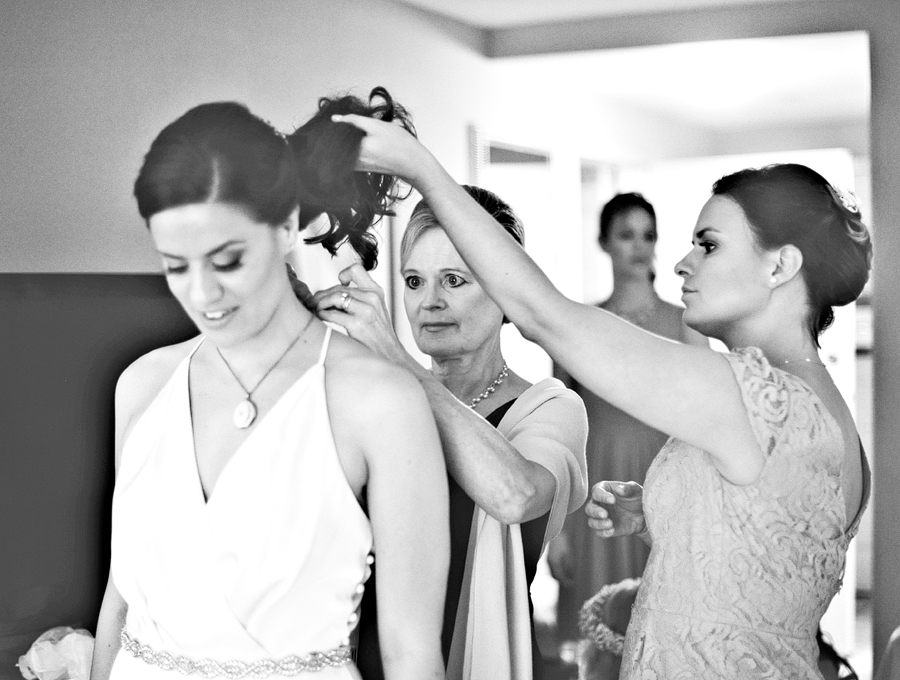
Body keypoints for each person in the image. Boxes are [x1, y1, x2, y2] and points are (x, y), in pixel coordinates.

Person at [331, 114, 872, 679]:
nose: (682, 263)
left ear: (781, 264)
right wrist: (669, 509)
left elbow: (546, 317)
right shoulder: (814, 412)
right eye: (414, 280)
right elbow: (762, 560)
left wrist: (419, 167)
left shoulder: (759, 399)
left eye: (708, 246)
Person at [89, 90, 450, 680]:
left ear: (286, 227)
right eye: (176, 265)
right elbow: (119, 603)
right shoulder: (142, 385)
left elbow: (412, 654)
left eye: (227, 260)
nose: (202, 296)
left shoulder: (378, 402)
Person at [308, 185, 588, 680]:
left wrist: (393, 358)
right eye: (414, 281)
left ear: (506, 295)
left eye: (454, 280)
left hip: (484, 661)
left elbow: (517, 495)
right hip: (369, 657)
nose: (429, 303)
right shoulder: (378, 401)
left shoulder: (550, 407)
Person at [550, 192, 706, 642]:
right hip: (594, 494)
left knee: (662, 634)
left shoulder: (687, 323)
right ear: (604, 242)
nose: (640, 246)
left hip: (663, 489)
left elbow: (706, 421)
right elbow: (559, 434)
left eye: (648, 235)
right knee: (594, 639)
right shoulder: (578, 323)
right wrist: (556, 530)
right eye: (626, 235)